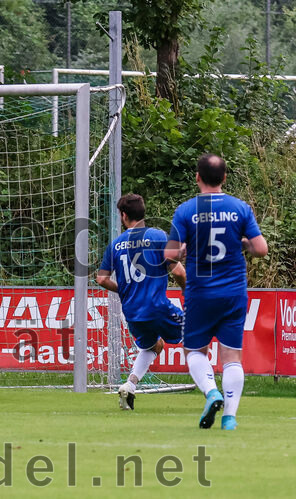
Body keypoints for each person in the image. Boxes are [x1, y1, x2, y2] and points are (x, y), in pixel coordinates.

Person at [165, 154, 268, 430]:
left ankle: (212, 392)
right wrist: (242, 243)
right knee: (232, 356)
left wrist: (184, 250)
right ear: (224, 177)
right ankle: (230, 418)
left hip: (200, 293)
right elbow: (261, 249)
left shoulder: (186, 211)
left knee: (194, 350)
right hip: (233, 292)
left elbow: (170, 255)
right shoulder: (240, 208)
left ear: (197, 177)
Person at [96, 194, 186, 410]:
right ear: (143, 212)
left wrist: (124, 290)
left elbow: (101, 279)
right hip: (157, 307)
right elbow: (177, 270)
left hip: (132, 312)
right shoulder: (157, 236)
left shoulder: (115, 245)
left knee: (154, 345)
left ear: (124, 215)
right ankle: (213, 392)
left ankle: (130, 385)